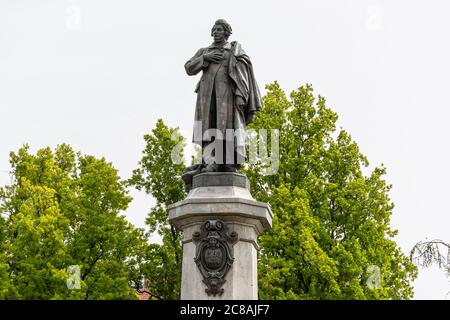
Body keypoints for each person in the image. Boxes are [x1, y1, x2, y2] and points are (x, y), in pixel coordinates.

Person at [184, 19, 262, 176]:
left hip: (227, 97)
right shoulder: (204, 51)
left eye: (220, 29)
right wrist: (205, 59)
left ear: (227, 32)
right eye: (214, 30)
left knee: (226, 128)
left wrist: (241, 95)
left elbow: (242, 76)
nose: (216, 32)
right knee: (207, 127)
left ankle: (227, 162)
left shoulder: (234, 52)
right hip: (206, 96)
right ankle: (210, 161)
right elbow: (189, 68)